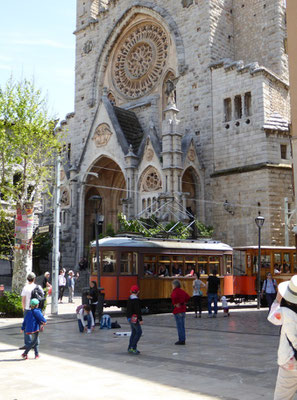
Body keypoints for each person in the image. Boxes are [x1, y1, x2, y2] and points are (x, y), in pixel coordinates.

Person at [268, 275, 297, 399]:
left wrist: (277, 300)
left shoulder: (285, 312)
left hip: (290, 360)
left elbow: (272, 318)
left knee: (282, 396)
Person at [19, 272, 37, 350]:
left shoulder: (25, 287)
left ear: (27, 279)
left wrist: (23, 308)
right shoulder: (37, 287)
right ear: (34, 279)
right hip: (35, 310)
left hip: (27, 309)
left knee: (26, 327)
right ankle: (35, 343)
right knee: (35, 326)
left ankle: (27, 344)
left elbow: (23, 300)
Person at [171, 279, 190, 345]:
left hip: (177, 309)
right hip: (183, 309)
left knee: (179, 326)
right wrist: (183, 302)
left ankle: (181, 339)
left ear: (174, 285)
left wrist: (175, 303)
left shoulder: (175, 291)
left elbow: (174, 297)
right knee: (182, 325)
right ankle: (183, 338)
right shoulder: (182, 291)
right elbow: (188, 297)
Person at [127, 285, 143, 354]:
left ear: (130, 291)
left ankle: (130, 347)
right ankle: (133, 347)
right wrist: (140, 319)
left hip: (129, 318)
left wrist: (128, 318)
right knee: (139, 332)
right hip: (135, 318)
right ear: (138, 292)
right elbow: (138, 311)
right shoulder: (136, 300)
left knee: (133, 332)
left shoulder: (129, 299)